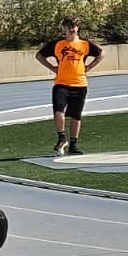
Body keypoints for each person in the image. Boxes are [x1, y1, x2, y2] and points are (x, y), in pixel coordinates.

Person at [36, 17, 104, 155]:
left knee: (76, 115)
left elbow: (101, 54)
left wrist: (89, 67)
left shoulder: (84, 44)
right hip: (61, 83)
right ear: (64, 29)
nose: (72, 29)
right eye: (69, 27)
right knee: (58, 111)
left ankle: (73, 144)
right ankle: (61, 138)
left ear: (77, 28)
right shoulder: (58, 44)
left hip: (80, 84)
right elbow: (39, 55)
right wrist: (52, 67)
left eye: (74, 27)